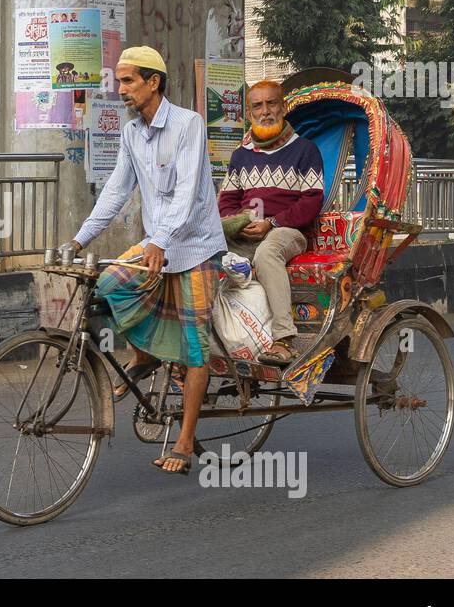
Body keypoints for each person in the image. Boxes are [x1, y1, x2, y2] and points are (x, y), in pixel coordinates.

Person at [62, 46, 226, 475]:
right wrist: (78, 240)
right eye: (119, 81)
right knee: (109, 285)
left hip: (195, 248)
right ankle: (146, 354)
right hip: (157, 243)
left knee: (194, 351)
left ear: (154, 82)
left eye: (128, 80)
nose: (121, 90)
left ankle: (186, 442)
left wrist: (162, 240)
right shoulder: (133, 132)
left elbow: (189, 190)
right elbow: (117, 191)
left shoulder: (188, 125)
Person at [216, 80, 325, 364]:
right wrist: (235, 222)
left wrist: (272, 223)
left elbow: (312, 201)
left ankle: (284, 339)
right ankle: (200, 339)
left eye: (271, 103)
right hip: (245, 231)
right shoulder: (241, 156)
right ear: (249, 114)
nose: (265, 111)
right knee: (204, 253)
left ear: (284, 107)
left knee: (267, 253)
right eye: (257, 106)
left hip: (287, 232)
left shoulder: (305, 150)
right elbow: (227, 200)